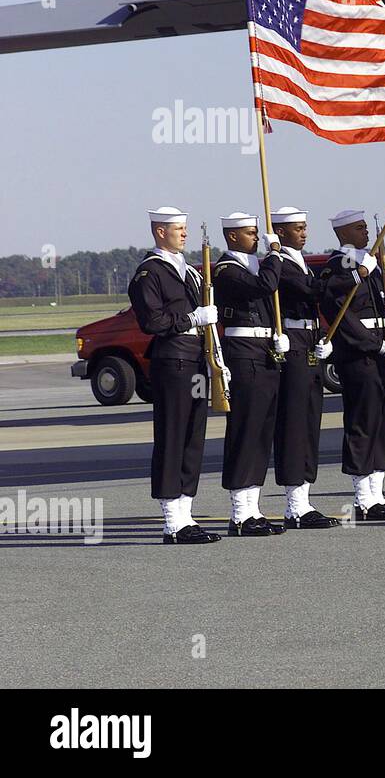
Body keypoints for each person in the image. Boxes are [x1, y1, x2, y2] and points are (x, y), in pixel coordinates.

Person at [128, 206, 222, 544]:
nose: (184, 234)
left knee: (193, 438)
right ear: (159, 232)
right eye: (177, 228)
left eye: (184, 228)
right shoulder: (149, 273)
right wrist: (192, 319)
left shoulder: (192, 273)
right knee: (172, 437)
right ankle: (171, 521)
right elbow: (151, 322)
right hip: (173, 361)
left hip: (196, 360)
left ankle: (186, 514)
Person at [319, 209, 385, 521]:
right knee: (363, 424)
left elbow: (384, 312)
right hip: (360, 356)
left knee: (383, 425)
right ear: (344, 233)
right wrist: (379, 346)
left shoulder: (372, 264)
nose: (367, 233)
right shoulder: (340, 265)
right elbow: (341, 316)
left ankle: (378, 494)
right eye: (359, 229)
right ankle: (362, 498)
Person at [213, 212, 288, 535]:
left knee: (261, 432)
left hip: (265, 351)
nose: (256, 238)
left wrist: (277, 333)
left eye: (256, 233)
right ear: (232, 237)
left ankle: (253, 508)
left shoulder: (254, 264)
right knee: (245, 431)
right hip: (242, 353)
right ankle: (239, 513)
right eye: (249, 233)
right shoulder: (227, 269)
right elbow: (264, 285)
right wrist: (275, 254)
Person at [269, 206, 341, 528]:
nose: (304, 232)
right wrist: (351, 275)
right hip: (293, 345)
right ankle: (294, 504)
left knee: (311, 423)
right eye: (297, 228)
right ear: (281, 232)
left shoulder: (301, 263)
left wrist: (324, 337)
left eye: (305, 227)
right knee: (295, 424)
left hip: (310, 343)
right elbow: (311, 292)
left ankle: (305, 498)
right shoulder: (281, 265)